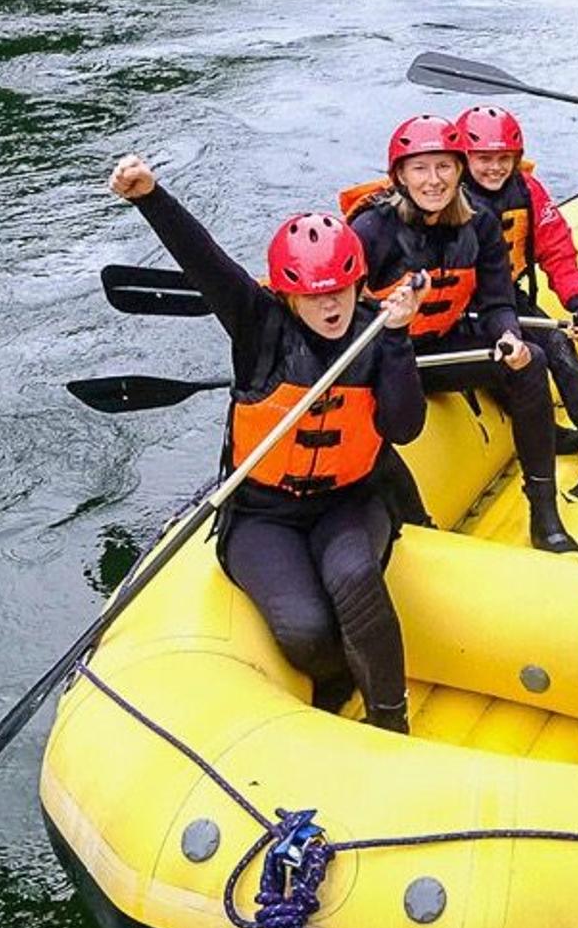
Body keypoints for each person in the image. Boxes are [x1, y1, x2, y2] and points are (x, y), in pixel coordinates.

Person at [112, 155, 428, 729]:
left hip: (349, 501)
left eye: (341, 291)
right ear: (288, 295)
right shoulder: (259, 325)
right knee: (306, 628)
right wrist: (150, 196)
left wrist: (401, 340)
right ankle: (335, 679)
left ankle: (391, 718)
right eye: (315, 295)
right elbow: (205, 262)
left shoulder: (377, 334)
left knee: (354, 576)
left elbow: (405, 428)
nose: (331, 306)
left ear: (358, 283)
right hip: (262, 515)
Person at [347, 113, 577, 553]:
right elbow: (341, 315)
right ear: (399, 175)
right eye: (420, 168)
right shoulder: (371, 231)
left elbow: (497, 302)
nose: (433, 180)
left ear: (459, 170)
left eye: (444, 167)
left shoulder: (480, 225)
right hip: (390, 361)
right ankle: (415, 524)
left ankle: (545, 518)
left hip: (443, 349)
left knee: (532, 362)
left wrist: (508, 335)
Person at [450, 104, 578, 520]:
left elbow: (556, 248)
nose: (495, 168)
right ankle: (546, 439)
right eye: (484, 159)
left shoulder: (527, 191)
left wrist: (577, 301)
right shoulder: (448, 199)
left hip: (505, 301)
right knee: (523, 366)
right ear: (463, 159)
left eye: (504, 159)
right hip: (459, 311)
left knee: (559, 347)